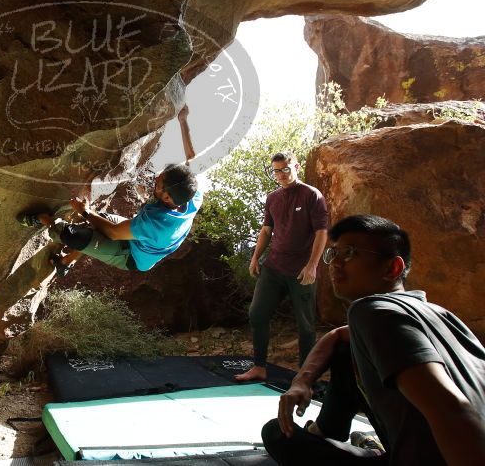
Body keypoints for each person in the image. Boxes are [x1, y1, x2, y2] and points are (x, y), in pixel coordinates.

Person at [262, 214, 485, 465]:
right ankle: (331, 432)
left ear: (393, 268)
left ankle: (361, 447)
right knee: (346, 352)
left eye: (349, 253)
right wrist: (301, 382)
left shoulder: (372, 311)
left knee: (277, 434)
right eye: (333, 254)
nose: (335, 263)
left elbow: (451, 408)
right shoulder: (442, 315)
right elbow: (337, 336)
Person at [235, 152, 328, 381]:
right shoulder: (273, 198)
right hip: (274, 266)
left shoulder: (312, 196)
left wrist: (312, 265)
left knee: (305, 326)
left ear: (295, 167)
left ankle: (305, 376)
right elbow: (267, 230)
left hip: (301, 270)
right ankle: (259, 367)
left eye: (286, 169)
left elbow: (321, 233)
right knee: (257, 314)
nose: (282, 174)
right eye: (277, 170)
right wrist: (255, 257)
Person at [19, 163, 201, 276]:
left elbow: (113, 233)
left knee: (74, 236)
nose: (154, 179)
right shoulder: (191, 194)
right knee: (98, 222)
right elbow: (189, 160)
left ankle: (44, 220)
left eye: (158, 184)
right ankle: (65, 263)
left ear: (168, 198)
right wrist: (183, 121)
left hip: (132, 256)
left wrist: (85, 211)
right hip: (141, 238)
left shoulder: (157, 224)